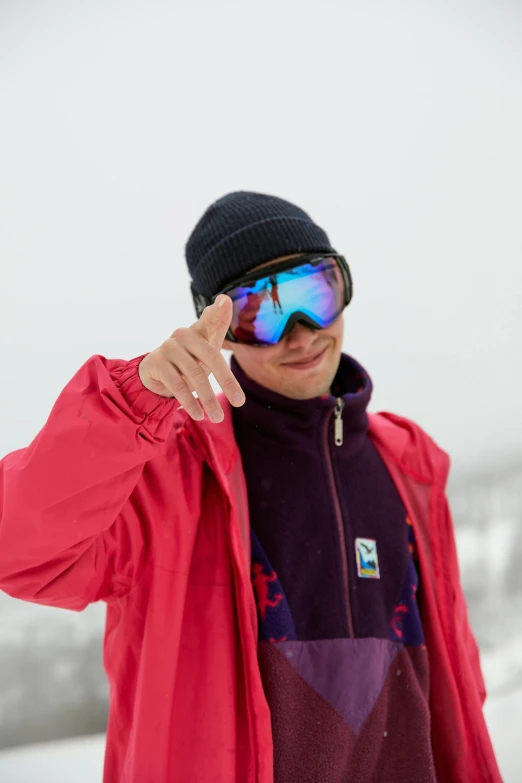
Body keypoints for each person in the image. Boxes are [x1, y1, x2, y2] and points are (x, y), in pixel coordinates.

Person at [0, 192, 501, 783]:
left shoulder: (409, 466)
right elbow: (19, 550)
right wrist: (130, 403)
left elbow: (451, 678)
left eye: (316, 293)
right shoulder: (170, 475)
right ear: (219, 332)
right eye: (260, 312)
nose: (301, 333)